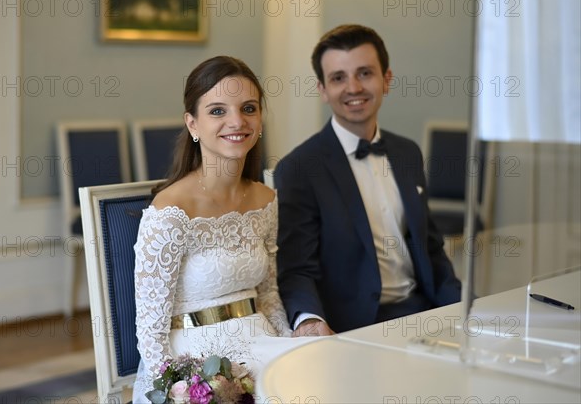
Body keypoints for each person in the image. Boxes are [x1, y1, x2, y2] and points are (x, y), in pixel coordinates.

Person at [133, 56, 312, 402]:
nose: (236, 121)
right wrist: (178, 390)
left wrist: (290, 342)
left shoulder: (265, 199)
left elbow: (269, 293)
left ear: (260, 120)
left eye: (248, 108)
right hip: (194, 362)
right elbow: (151, 333)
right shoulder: (170, 211)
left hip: (261, 342)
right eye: (217, 111)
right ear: (193, 124)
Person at [275, 24, 462, 337]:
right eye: (338, 78)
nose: (353, 87)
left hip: (424, 314)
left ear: (386, 80)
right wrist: (310, 320)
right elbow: (296, 269)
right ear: (322, 90)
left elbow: (430, 247)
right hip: (352, 328)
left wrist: (461, 308)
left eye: (364, 73)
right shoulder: (299, 168)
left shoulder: (407, 152)